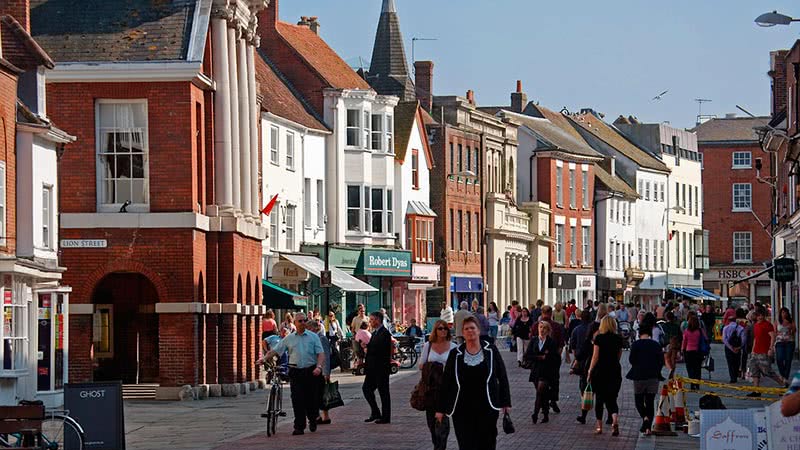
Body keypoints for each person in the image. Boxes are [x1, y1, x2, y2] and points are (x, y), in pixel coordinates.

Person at [436, 316, 511, 450]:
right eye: (466, 329)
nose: (470, 331)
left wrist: (505, 402)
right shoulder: (455, 354)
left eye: (472, 328)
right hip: (462, 409)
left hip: (487, 407)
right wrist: (440, 409)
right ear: (462, 333)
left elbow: (502, 376)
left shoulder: (491, 350)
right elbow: (446, 382)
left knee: (487, 443)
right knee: (466, 444)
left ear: (478, 331)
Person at [262, 312, 324, 436]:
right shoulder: (289, 338)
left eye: (304, 321)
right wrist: (264, 359)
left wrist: (319, 367)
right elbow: (276, 350)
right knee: (297, 399)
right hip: (295, 371)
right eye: (299, 321)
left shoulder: (313, 337)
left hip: (311, 371)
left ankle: (312, 419)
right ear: (294, 323)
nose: (302, 323)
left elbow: (320, 353)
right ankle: (299, 426)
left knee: (311, 399)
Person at [419, 320, 457, 450]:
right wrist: (434, 367)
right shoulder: (428, 346)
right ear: (435, 330)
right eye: (440, 329)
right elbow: (421, 365)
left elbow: (456, 368)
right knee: (431, 422)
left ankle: (441, 447)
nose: (443, 331)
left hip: (446, 389)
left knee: (443, 422)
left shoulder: (453, 347)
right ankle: (437, 444)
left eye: (445, 329)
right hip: (431, 389)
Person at [587, 316, 623, 436]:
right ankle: (615, 420)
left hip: (600, 371)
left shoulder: (599, 338)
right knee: (612, 398)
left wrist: (590, 370)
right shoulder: (618, 338)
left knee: (600, 399)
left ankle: (599, 427)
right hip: (614, 370)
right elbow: (618, 356)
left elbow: (595, 357)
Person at [627, 323, 664, 435]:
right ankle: (648, 428)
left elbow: (631, 360)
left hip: (639, 376)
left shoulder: (636, 345)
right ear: (650, 333)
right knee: (650, 401)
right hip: (653, 376)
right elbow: (661, 361)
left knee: (639, 401)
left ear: (640, 333)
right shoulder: (656, 345)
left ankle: (645, 419)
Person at [747, 307, 787, 396]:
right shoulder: (756, 325)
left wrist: (770, 349)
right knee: (754, 371)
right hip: (755, 352)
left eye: (762, 315)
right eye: (758, 316)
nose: (760, 317)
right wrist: (753, 351)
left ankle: (783, 384)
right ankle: (756, 390)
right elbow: (755, 339)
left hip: (764, 351)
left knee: (768, 371)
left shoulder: (767, 325)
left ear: (764, 316)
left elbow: (773, 336)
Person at [525, 321, 560, 424]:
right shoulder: (534, 340)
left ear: (548, 330)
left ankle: (535, 414)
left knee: (540, 391)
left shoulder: (551, 342)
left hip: (546, 371)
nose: (542, 330)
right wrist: (539, 357)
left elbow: (555, 358)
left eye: (544, 328)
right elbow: (527, 355)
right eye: (540, 327)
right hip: (536, 370)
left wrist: (547, 357)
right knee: (542, 394)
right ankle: (545, 414)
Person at [363, 311, 393, 424]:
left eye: (371, 320)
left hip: (381, 368)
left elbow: (380, 350)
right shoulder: (375, 333)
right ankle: (375, 412)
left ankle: (385, 417)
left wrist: (368, 348)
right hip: (372, 369)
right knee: (366, 389)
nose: (370, 322)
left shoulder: (384, 333)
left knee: (383, 392)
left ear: (378, 320)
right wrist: (367, 346)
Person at [538, 304, 566, 413]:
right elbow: (561, 344)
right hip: (553, 359)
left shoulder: (537, 325)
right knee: (554, 381)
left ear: (542, 313)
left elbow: (533, 342)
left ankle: (542, 401)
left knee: (540, 380)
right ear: (551, 313)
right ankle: (553, 400)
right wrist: (557, 356)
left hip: (540, 360)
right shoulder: (556, 326)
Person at [307, 319, 333, 426]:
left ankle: (323, 416)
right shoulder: (314, 338)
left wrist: (326, 372)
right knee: (320, 394)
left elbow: (326, 355)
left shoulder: (321, 338)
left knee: (321, 394)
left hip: (321, 371)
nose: (307, 330)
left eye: (309, 328)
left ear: (314, 328)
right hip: (317, 370)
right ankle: (321, 416)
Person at [682, 313, 705, 390]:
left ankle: (692, 384)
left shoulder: (686, 331)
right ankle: (697, 384)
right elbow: (706, 339)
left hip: (688, 351)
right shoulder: (700, 331)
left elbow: (684, 342)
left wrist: (682, 350)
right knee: (697, 369)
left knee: (690, 368)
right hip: (698, 351)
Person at [722, 314, 746, 383]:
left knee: (730, 363)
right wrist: (739, 347)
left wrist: (730, 348)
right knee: (737, 362)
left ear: (729, 321)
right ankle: (736, 374)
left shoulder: (725, 328)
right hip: (737, 347)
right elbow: (744, 339)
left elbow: (724, 339)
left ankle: (732, 378)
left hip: (729, 348)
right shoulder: (741, 328)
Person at [775, 307, 796, 382]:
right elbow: (774, 332)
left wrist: (790, 326)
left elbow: (794, 330)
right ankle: (782, 374)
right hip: (779, 342)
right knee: (779, 359)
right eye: (783, 312)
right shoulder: (777, 321)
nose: (784, 314)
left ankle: (785, 378)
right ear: (780, 314)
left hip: (789, 342)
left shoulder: (790, 321)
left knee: (788, 360)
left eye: (785, 312)